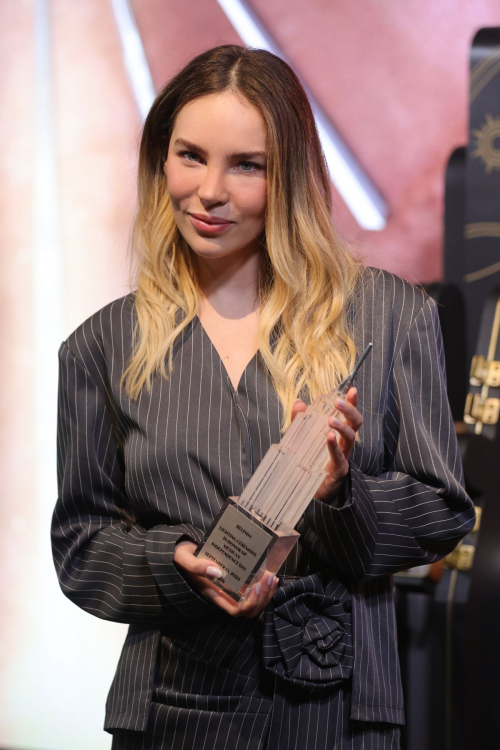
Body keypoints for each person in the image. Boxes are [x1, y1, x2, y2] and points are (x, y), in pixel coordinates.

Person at [51, 45, 475, 749]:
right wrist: (176, 563)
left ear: (291, 177)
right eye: (190, 155)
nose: (209, 191)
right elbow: (82, 547)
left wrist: (342, 494)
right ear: (160, 160)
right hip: (174, 712)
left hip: (342, 712)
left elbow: (441, 509)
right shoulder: (100, 347)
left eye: (246, 165)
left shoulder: (394, 317)